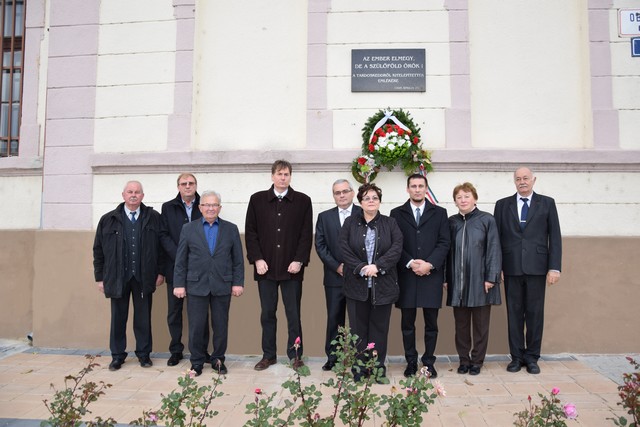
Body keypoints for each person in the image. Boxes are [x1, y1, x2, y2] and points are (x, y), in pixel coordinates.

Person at [245, 160, 313, 371]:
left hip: (292, 269)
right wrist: (257, 259)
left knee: (293, 314)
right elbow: (251, 232)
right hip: (265, 268)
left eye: (286, 174)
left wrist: (299, 260)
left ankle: (295, 355)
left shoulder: (303, 201)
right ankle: (268, 355)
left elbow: (305, 234)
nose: (283, 178)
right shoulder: (257, 200)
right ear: (272, 176)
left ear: (290, 176)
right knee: (267, 313)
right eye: (279, 174)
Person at [494, 167, 562, 374]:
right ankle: (516, 357)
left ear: (534, 180)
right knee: (514, 314)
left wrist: (554, 267)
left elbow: (555, 236)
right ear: (514, 181)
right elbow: (496, 239)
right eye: (518, 179)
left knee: (534, 314)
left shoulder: (547, 203)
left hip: (537, 268)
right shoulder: (502, 205)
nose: (522, 181)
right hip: (511, 267)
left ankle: (532, 357)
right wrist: (498, 267)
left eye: (525, 178)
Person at [93, 181, 164, 371]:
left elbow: (161, 248)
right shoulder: (108, 219)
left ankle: (144, 355)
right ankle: (117, 356)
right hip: (117, 278)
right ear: (123, 195)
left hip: (144, 277)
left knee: (143, 319)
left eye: (137, 192)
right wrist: (100, 278)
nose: (133, 195)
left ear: (142, 196)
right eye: (130, 192)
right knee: (118, 318)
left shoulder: (154, 218)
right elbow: (98, 250)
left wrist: (160, 272)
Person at [173, 191, 244, 376]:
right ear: (200, 207)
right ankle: (197, 362)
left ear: (219, 208)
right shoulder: (188, 229)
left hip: (222, 284)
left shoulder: (231, 229)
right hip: (196, 284)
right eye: (207, 205)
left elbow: (238, 260)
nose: (210, 208)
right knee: (196, 326)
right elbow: (181, 260)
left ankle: (218, 360)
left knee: (220, 326)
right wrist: (179, 284)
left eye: (214, 205)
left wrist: (238, 283)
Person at [340, 183, 403, 381]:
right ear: (360, 202)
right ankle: (359, 369)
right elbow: (343, 247)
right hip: (356, 286)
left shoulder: (390, 223)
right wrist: (361, 267)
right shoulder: (350, 222)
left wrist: (378, 266)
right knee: (358, 331)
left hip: (383, 286)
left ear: (380, 201)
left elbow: (397, 247)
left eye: (375, 197)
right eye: (366, 198)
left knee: (379, 330)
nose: (371, 201)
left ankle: (376, 369)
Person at [390, 174, 450, 379]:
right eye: (413, 186)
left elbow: (444, 242)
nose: (417, 189)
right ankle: (411, 362)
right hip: (407, 275)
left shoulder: (440, 213)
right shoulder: (396, 213)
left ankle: (428, 363)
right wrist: (410, 262)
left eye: (420, 186)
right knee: (407, 323)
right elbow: (394, 243)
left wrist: (429, 264)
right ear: (407, 189)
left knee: (431, 324)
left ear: (426, 188)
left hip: (431, 275)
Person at [445, 182, 502, 376]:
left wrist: (491, 277)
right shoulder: (451, 222)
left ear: (475, 198)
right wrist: (446, 278)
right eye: (459, 197)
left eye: (467, 196)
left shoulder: (487, 220)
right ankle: (464, 360)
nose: (463, 200)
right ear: (455, 201)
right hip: (458, 282)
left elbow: (494, 249)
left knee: (480, 325)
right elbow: (446, 252)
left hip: (481, 282)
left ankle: (477, 361)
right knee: (460, 325)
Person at [315, 179, 362, 371]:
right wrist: (336, 266)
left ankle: (358, 358)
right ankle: (333, 357)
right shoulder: (324, 217)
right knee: (334, 318)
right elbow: (320, 245)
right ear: (333, 196)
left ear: (352, 193)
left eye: (345, 191)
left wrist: (354, 267)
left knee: (358, 319)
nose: (342, 195)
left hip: (359, 277)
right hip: (334, 277)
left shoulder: (363, 213)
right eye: (337, 192)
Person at [160, 173, 205, 367]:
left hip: (199, 269)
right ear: (178, 186)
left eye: (191, 183)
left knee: (200, 312)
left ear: (196, 185)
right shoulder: (168, 207)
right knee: (174, 312)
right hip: (174, 267)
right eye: (184, 183)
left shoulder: (205, 205)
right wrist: (179, 255)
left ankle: (201, 351)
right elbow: (163, 235)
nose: (187, 186)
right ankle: (176, 350)